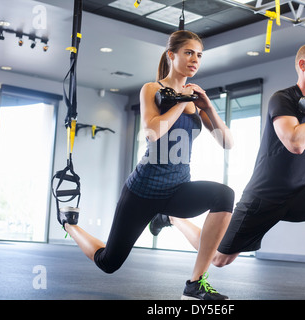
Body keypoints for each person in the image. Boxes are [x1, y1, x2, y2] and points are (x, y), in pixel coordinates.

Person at [150, 43, 305, 300]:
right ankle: (173, 218)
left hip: (297, 193)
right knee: (219, 258)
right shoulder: (283, 99)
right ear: (303, 65)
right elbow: (296, 143)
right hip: (263, 197)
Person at [58, 30, 235, 300]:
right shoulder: (153, 89)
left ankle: (194, 284)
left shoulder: (196, 99)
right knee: (109, 262)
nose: (195, 59)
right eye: (188, 53)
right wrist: (182, 101)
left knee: (224, 195)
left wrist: (207, 107)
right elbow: (152, 132)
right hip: (143, 191)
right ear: (171, 55)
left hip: (178, 187)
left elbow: (227, 142)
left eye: (199, 55)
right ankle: (70, 225)